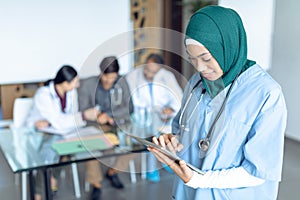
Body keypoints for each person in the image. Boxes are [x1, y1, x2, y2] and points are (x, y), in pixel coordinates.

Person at [148, 5, 287, 200]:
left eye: (206, 58)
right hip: (187, 192)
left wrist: (199, 180)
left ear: (227, 47)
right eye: (192, 59)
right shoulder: (196, 83)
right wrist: (174, 143)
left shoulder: (266, 94)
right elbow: (184, 131)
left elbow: (258, 171)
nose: (200, 68)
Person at [26, 65, 99, 200]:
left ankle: (52, 179)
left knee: (68, 150)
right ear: (65, 83)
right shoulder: (44, 94)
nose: (77, 85)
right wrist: (82, 116)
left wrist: (70, 120)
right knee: (48, 157)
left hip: (61, 132)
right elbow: (62, 122)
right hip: (40, 134)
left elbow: (67, 119)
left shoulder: (71, 92)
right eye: (75, 82)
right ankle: (38, 194)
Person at [77, 56, 133, 200]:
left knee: (132, 144)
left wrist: (109, 115)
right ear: (101, 73)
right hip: (96, 126)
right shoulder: (87, 84)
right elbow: (83, 109)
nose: (109, 81)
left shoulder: (122, 81)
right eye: (106, 78)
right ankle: (97, 185)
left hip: (117, 123)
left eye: (113, 78)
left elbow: (130, 107)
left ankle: (112, 172)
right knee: (92, 147)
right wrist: (97, 116)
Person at [125, 53, 183, 182]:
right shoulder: (132, 76)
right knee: (153, 136)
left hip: (162, 116)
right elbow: (130, 102)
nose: (149, 75)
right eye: (147, 70)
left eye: (153, 72)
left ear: (160, 70)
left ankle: (166, 161)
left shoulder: (167, 76)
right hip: (141, 116)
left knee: (170, 134)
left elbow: (178, 96)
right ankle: (152, 169)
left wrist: (171, 109)